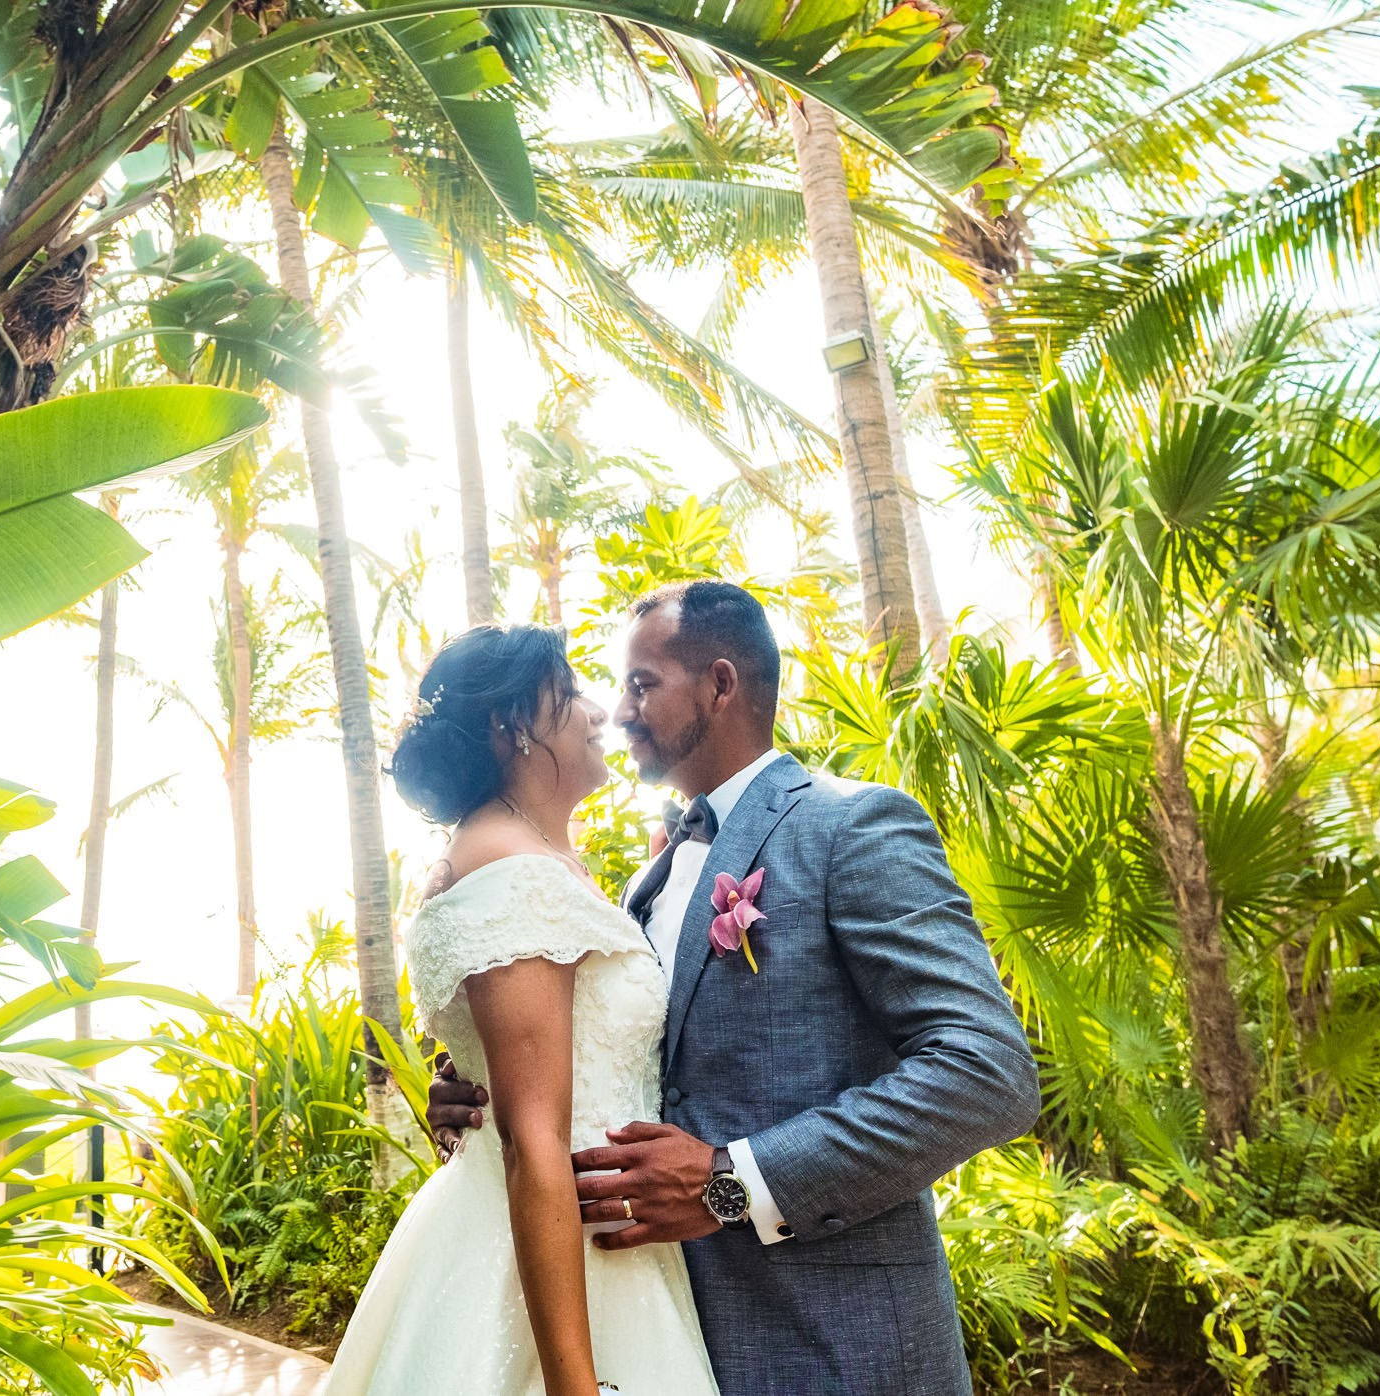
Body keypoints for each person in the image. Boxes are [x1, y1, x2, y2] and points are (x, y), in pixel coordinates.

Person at [427, 581, 1040, 1395]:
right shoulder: (643, 880)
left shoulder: (850, 827)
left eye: (643, 684)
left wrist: (730, 1181)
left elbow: (988, 1073)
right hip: (669, 1337)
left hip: (838, 1346)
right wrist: (485, 1094)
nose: (619, 708)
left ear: (720, 685)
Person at [325, 623, 721, 1396]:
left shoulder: (525, 858)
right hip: (557, 1255)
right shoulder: (514, 872)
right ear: (512, 729)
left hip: (590, 1241)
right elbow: (533, 1137)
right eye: (570, 691)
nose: (599, 710)